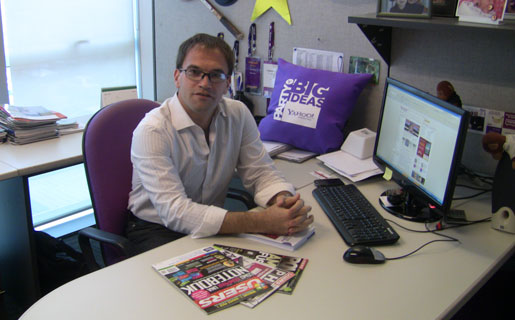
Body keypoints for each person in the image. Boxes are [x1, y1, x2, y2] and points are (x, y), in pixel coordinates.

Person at [126, 33, 313, 253]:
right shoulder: (152, 131)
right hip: (156, 229)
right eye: (194, 72)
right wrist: (263, 221)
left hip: (212, 223)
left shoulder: (238, 114)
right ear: (177, 77)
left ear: (227, 84)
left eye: (216, 75)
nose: (205, 83)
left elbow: (261, 172)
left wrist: (283, 203)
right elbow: (175, 212)